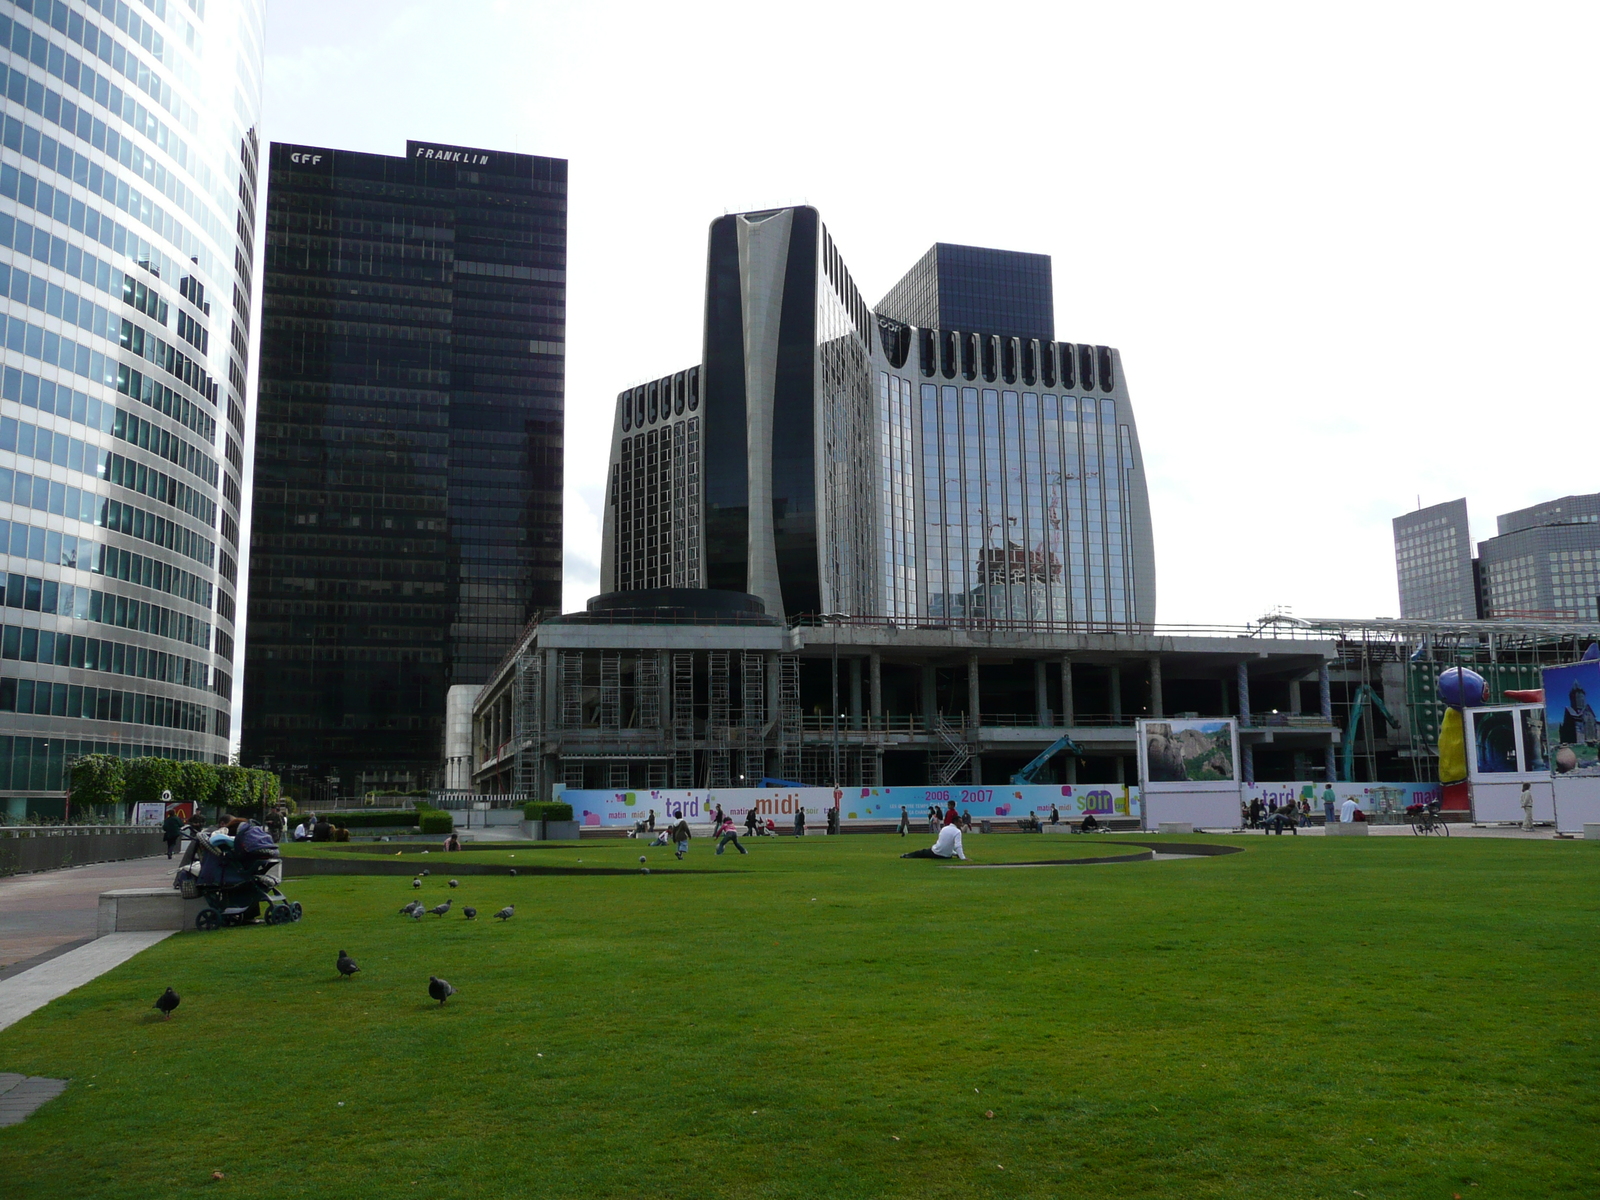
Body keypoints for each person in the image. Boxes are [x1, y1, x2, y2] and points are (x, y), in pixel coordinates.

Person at [900, 821, 966, 860]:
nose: (962, 824)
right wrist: (959, 856)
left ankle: (906, 855)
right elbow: (953, 846)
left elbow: (946, 844)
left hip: (936, 852)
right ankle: (907, 855)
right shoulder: (957, 831)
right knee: (923, 853)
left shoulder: (945, 829)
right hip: (946, 856)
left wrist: (960, 856)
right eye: (960, 822)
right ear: (956, 822)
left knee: (922, 852)